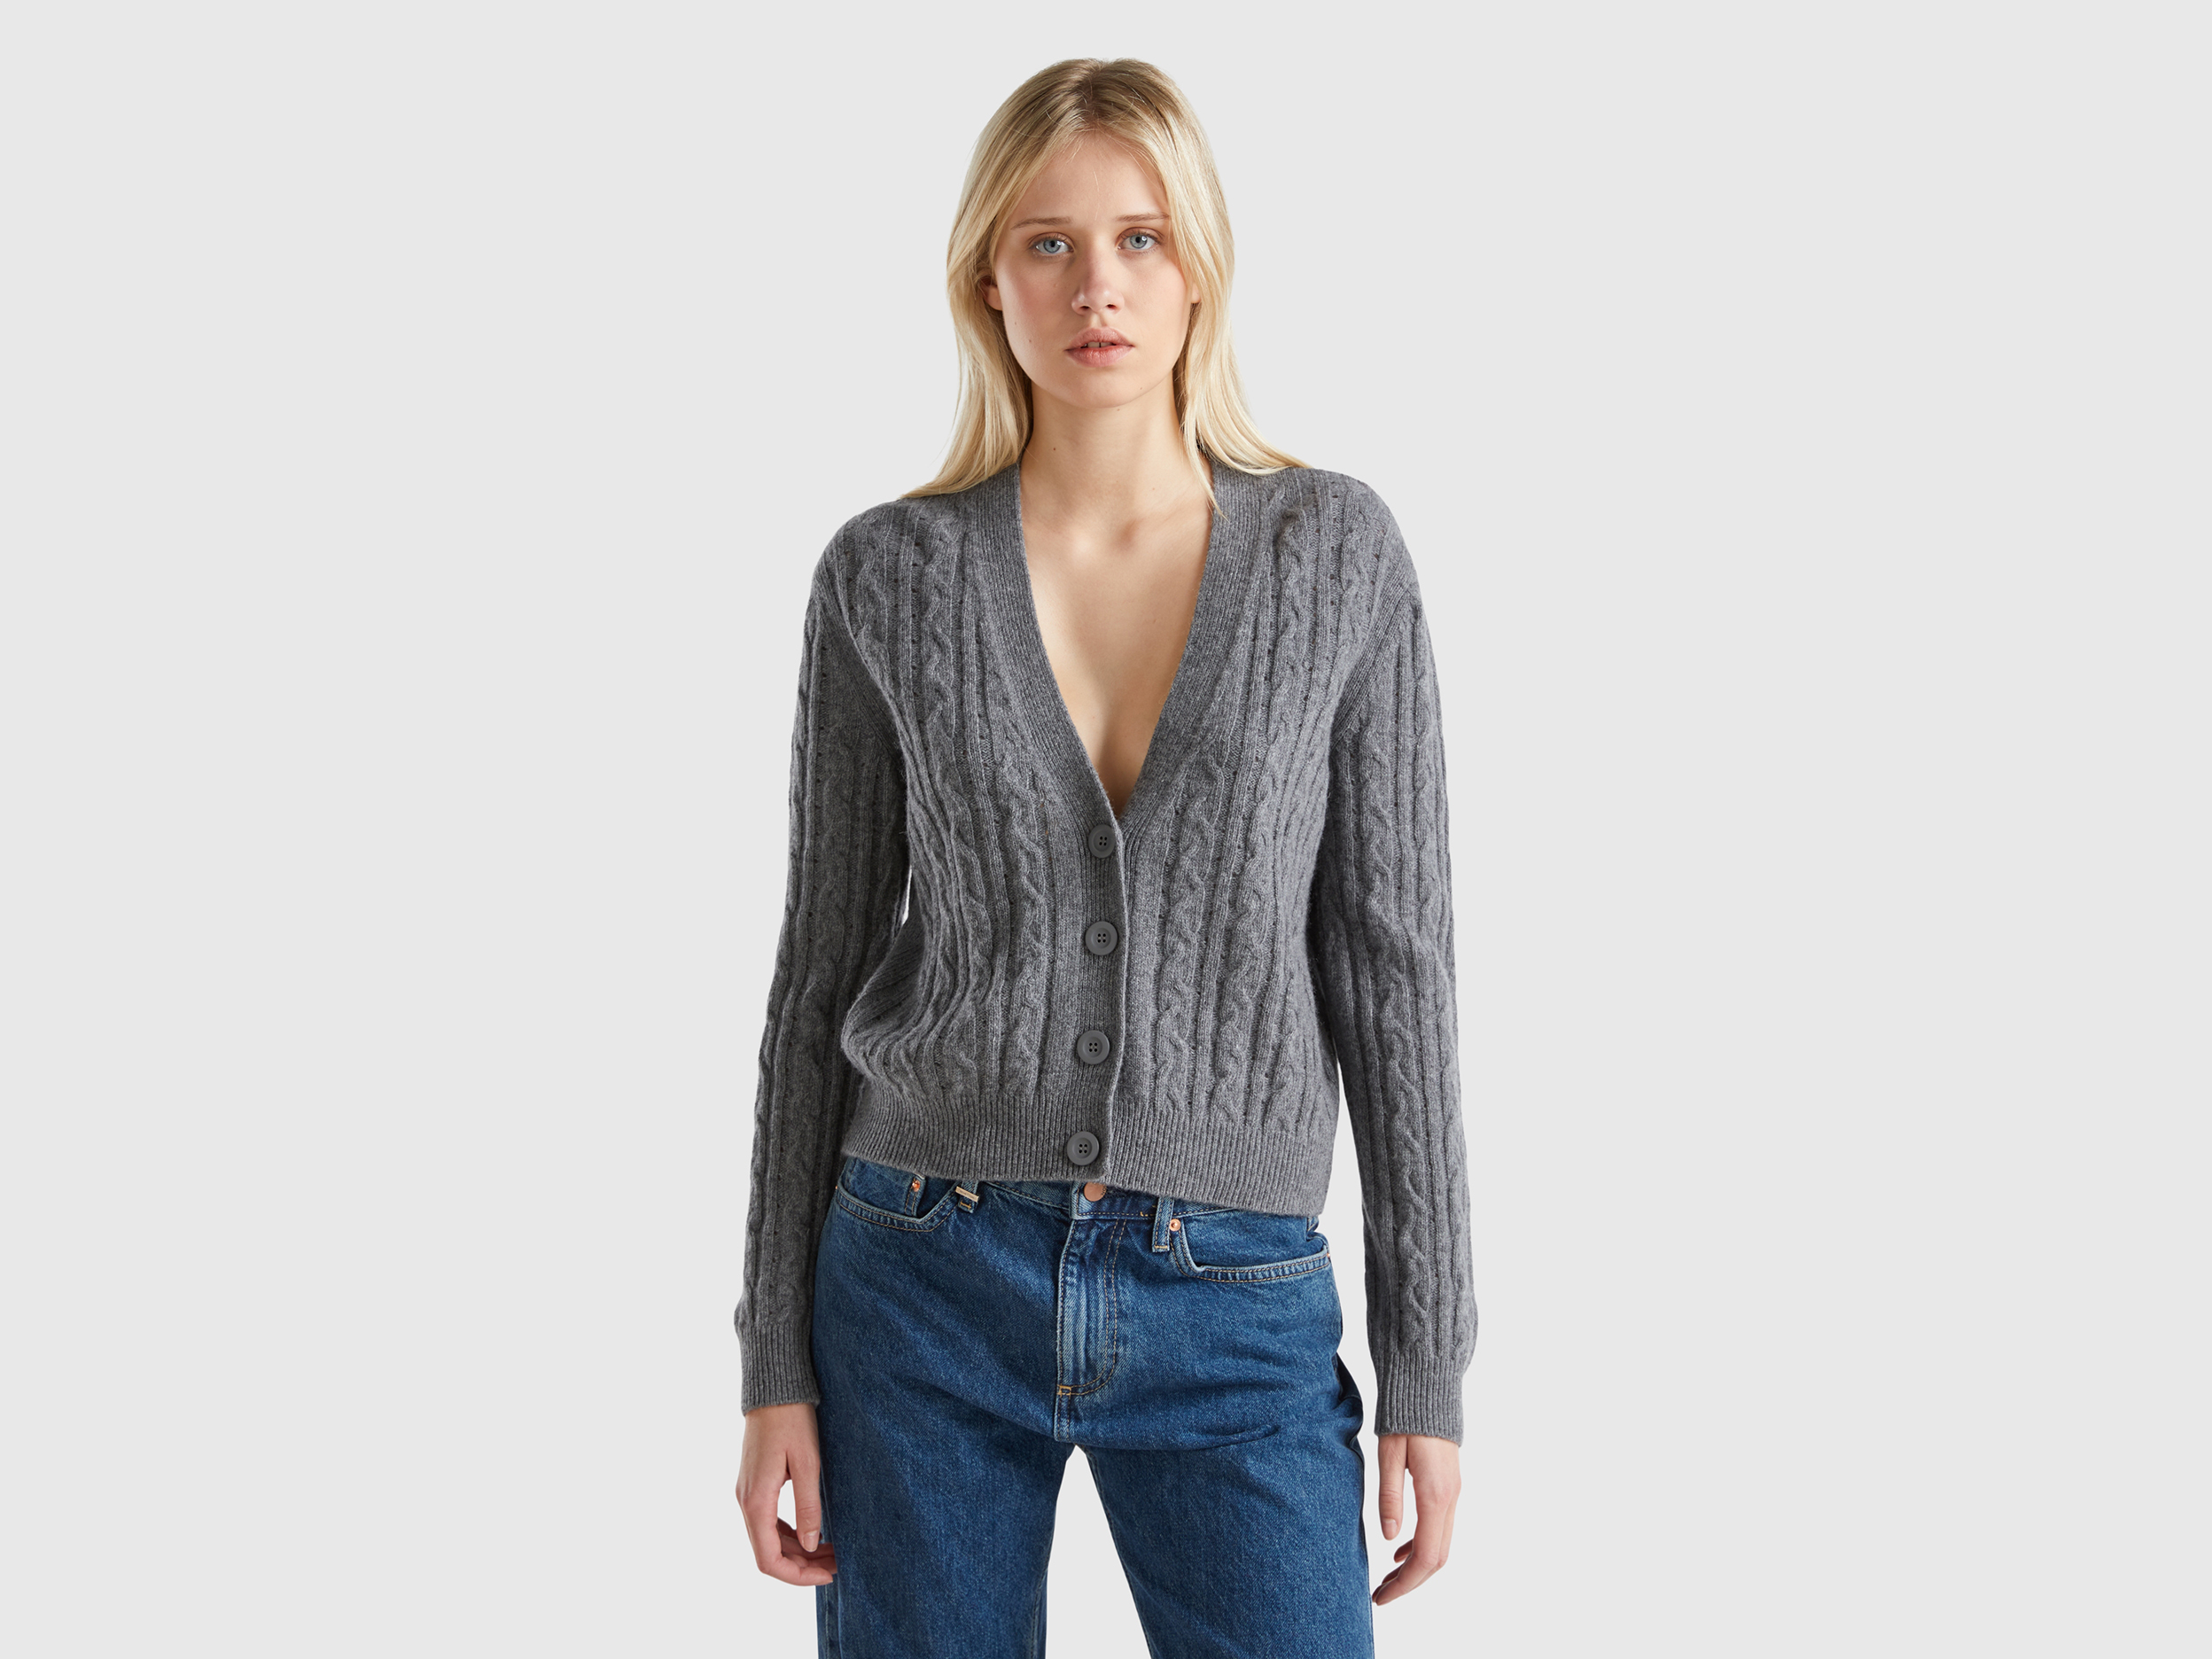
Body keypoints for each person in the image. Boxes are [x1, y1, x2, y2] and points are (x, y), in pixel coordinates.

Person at [733, 57, 1475, 1656]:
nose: (1098, 288)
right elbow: (815, 982)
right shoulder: (886, 577)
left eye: (1141, 237)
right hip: (919, 1279)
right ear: (986, 282)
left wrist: (1430, 1365)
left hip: (1235, 1299)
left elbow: (1395, 974)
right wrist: (771, 1360)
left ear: (1200, 265)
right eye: (1049, 244)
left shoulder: (1336, 555)